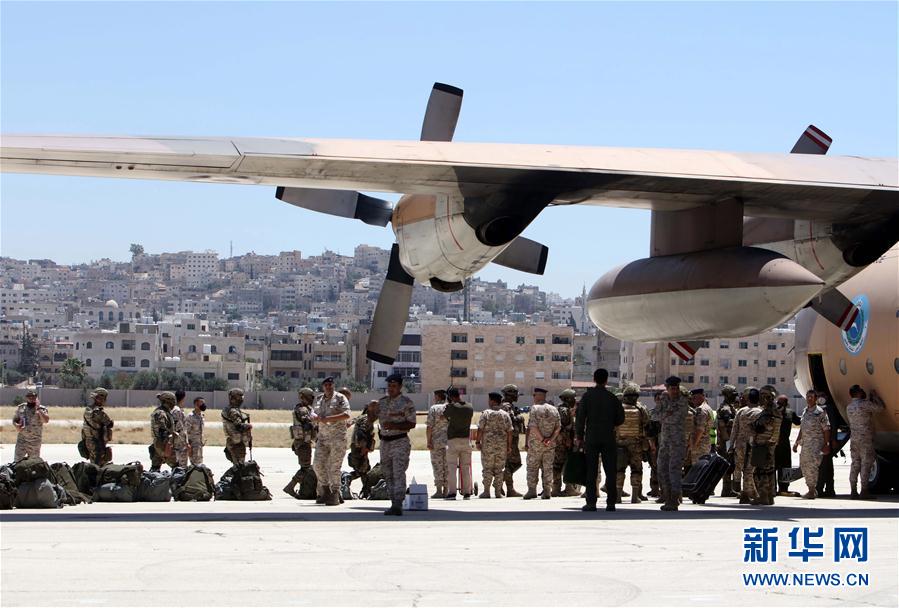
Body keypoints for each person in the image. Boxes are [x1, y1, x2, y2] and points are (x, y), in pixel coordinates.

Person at [575, 368, 625, 512]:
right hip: (608, 437)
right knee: (610, 471)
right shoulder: (612, 397)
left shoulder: (587, 396)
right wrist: (610, 423)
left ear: (594, 379)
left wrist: (579, 436)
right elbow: (621, 418)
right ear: (606, 380)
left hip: (592, 437)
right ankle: (611, 503)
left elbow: (580, 418)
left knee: (591, 471)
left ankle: (591, 502)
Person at [368, 373, 416, 516]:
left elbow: (412, 423)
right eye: (389, 386)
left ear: (400, 387)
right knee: (388, 473)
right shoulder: (382, 402)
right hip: (385, 442)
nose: (391, 389)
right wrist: (371, 410)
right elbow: (371, 420)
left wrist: (394, 425)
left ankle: (398, 503)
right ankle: (393, 502)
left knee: (398, 472)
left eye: (394, 386)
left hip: (399, 441)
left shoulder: (406, 403)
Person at [651, 376, 689, 511]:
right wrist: (666, 414)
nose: (675, 391)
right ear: (667, 388)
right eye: (672, 388)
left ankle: (674, 499)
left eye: (676, 388)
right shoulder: (664, 398)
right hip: (665, 441)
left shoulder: (683, 400)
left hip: (677, 442)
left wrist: (665, 415)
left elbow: (677, 417)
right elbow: (653, 415)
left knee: (675, 470)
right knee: (662, 469)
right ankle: (667, 497)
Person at [313, 377, 351, 506]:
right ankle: (325, 490)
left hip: (337, 438)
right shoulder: (319, 399)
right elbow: (313, 413)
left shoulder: (340, 398)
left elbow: (346, 414)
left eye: (330, 384)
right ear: (323, 386)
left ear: (333, 386)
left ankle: (335, 493)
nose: (328, 387)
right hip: (323, 438)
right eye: (326, 385)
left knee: (334, 467)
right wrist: (314, 417)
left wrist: (328, 418)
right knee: (317, 465)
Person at [846, 385, 885, 499]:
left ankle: (853, 490)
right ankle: (864, 490)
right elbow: (880, 408)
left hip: (854, 439)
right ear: (857, 393)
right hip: (865, 439)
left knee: (855, 464)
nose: (863, 391)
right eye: (861, 390)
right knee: (866, 464)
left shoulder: (849, 407)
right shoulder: (864, 404)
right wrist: (875, 397)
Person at [746, 386, 782, 505]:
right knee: (769, 471)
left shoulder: (768, 412)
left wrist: (752, 425)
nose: (760, 399)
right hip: (770, 444)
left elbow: (760, 427)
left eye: (762, 396)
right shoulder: (775, 411)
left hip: (763, 444)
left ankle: (763, 496)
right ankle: (769, 497)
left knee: (760, 471)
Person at [793, 389, 830, 499]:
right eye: (808, 396)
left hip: (816, 445)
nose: (809, 399)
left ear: (815, 399)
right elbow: (802, 428)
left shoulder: (820, 412)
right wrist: (796, 442)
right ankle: (811, 489)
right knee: (804, 466)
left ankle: (812, 490)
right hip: (805, 445)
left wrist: (826, 444)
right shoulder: (805, 411)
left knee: (812, 467)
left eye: (811, 397)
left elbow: (826, 429)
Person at [524, 387, 561, 500]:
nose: (533, 397)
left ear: (539, 396)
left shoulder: (535, 408)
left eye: (534, 395)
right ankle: (547, 491)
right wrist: (550, 439)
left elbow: (533, 427)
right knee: (548, 468)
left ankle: (532, 490)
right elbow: (558, 427)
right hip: (549, 445)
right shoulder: (554, 409)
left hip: (536, 445)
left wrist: (542, 439)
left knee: (532, 467)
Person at [615, 383, 649, 504]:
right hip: (636, 445)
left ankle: (618, 496)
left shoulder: (617, 408)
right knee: (636, 470)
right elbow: (646, 424)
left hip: (620, 444)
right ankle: (635, 497)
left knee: (619, 470)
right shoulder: (641, 409)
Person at [476, 391, 512, 498]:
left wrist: (478, 442)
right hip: (501, 446)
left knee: (487, 468)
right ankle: (497, 492)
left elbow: (480, 429)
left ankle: (486, 491)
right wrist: (509, 446)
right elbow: (509, 432)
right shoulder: (505, 414)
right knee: (499, 469)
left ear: (492, 401)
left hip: (488, 446)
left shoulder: (486, 414)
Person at [283, 387, 317, 499]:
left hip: (303, 442)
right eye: (310, 397)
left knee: (305, 467)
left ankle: (303, 490)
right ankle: (290, 486)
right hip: (303, 443)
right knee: (305, 468)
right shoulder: (302, 409)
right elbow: (306, 423)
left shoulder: (307, 408)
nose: (312, 399)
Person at [444, 387, 474, 499]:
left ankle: (452, 492)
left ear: (450, 397)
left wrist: (449, 403)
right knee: (465, 468)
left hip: (453, 440)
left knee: (451, 467)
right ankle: (467, 492)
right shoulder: (469, 407)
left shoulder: (451, 407)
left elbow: (445, 416)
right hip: (465, 439)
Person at [730, 387, 756, 503]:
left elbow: (734, 429)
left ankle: (746, 490)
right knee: (750, 469)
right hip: (753, 445)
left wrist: (731, 445)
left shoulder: (741, 411)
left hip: (740, 445)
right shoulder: (759, 412)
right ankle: (747, 492)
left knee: (740, 467)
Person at [500, 384, 526, 497]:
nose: (517, 396)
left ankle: (503, 484)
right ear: (510, 395)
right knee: (512, 463)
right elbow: (510, 420)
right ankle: (506, 486)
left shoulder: (508, 406)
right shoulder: (506, 406)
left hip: (512, 439)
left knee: (512, 463)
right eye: (516, 394)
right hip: (509, 440)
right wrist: (519, 418)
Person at [552, 389, 580, 497]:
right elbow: (563, 427)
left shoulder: (560, 408)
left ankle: (556, 489)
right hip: (563, 442)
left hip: (559, 442)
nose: (575, 400)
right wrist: (567, 439)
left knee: (557, 465)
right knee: (566, 465)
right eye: (573, 398)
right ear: (568, 399)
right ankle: (569, 489)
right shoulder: (564, 410)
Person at [347, 400, 376, 497]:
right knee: (362, 470)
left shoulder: (362, 417)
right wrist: (365, 448)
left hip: (356, 447)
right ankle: (346, 479)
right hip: (360, 447)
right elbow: (361, 433)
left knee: (364, 470)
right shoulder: (367, 419)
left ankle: (366, 491)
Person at [775, 394, 801, 496]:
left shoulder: (790, 413)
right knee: (772, 467)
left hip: (784, 444)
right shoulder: (773, 412)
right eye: (778, 403)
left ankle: (784, 488)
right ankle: (772, 488)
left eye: (781, 403)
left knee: (786, 466)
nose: (779, 405)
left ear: (786, 404)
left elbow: (798, 422)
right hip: (773, 444)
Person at [12, 389, 49, 461]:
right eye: (29, 396)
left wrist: (39, 409)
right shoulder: (21, 407)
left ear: (36, 398)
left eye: (33, 397)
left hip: (34, 441)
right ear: (26, 397)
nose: (31, 398)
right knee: (17, 461)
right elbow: (14, 420)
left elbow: (46, 420)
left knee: (33, 463)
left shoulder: (42, 408)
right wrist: (17, 426)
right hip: (22, 440)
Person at [715, 385, 739, 496]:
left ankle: (728, 489)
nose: (735, 397)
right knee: (728, 464)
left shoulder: (729, 407)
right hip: (726, 441)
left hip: (728, 440)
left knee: (730, 464)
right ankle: (726, 489)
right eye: (733, 395)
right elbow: (728, 424)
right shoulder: (726, 409)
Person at [426, 389, 449, 499]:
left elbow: (429, 426)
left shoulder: (434, 409)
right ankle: (447, 489)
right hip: (449, 441)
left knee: (437, 465)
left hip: (436, 442)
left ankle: (439, 490)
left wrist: (428, 441)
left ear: (438, 397)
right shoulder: (450, 407)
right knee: (448, 466)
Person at [81, 387, 113, 466]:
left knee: (93, 463)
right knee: (99, 465)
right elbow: (109, 424)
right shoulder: (98, 412)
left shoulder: (88, 409)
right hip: (97, 442)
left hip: (88, 440)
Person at [815, 391, 838, 498]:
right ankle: (829, 489)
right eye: (819, 396)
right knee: (827, 466)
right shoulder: (816, 409)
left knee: (824, 467)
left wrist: (831, 440)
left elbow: (832, 425)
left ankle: (820, 489)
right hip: (819, 442)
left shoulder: (828, 409)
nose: (820, 398)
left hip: (825, 442)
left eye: (822, 396)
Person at [221, 388, 252, 465]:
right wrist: (248, 426)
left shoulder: (229, 409)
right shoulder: (233, 411)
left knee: (238, 465)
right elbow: (238, 426)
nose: (242, 399)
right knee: (239, 466)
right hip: (237, 443)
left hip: (234, 441)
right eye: (240, 396)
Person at [149, 391, 177, 472]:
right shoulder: (161, 413)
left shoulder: (164, 412)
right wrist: (167, 447)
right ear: (168, 401)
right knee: (177, 468)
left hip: (159, 444)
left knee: (155, 468)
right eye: (173, 400)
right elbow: (162, 432)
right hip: (163, 444)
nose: (174, 403)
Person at [689, 388, 713, 465]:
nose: (692, 401)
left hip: (699, 446)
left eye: (693, 398)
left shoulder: (701, 410)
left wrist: (693, 445)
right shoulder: (708, 408)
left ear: (700, 397)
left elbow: (700, 430)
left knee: (698, 468)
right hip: (705, 444)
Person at [185, 397, 206, 465]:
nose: (203, 405)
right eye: (201, 403)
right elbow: (186, 431)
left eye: (204, 403)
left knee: (199, 464)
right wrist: (187, 445)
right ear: (196, 404)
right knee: (195, 464)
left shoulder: (202, 415)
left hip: (199, 444)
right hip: (192, 445)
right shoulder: (190, 416)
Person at [171, 390, 190, 468]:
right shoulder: (177, 410)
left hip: (177, 442)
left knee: (176, 466)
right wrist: (186, 442)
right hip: (180, 443)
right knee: (181, 467)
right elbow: (180, 428)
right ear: (183, 398)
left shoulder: (174, 409)